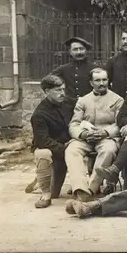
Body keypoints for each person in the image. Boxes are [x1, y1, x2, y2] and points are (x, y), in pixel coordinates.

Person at [65, 68, 124, 201]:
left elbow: (120, 123)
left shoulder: (118, 100)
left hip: (106, 137)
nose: (102, 83)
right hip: (86, 137)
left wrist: (105, 132)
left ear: (108, 80)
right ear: (91, 83)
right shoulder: (83, 100)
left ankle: (91, 189)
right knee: (71, 150)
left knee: (108, 151)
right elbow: (74, 124)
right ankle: (80, 188)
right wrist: (84, 134)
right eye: (97, 80)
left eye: (104, 80)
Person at [30, 75, 73, 208]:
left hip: (68, 147)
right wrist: (64, 149)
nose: (62, 93)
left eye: (63, 89)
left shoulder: (69, 103)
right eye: (58, 90)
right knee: (42, 154)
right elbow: (43, 141)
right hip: (53, 149)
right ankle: (45, 194)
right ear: (47, 91)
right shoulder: (39, 114)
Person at [50, 37, 97, 108]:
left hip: (90, 106)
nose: (79, 52)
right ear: (70, 52)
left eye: (81, 49)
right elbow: (48, 82)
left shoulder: (95, 68)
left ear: (86, 50)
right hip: (68, 107)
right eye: (75, 49)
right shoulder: (63, 69)